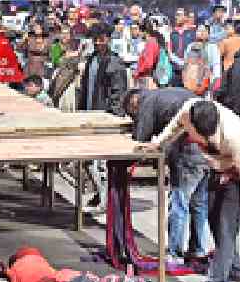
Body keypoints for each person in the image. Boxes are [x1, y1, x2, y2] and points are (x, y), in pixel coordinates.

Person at [148, 99, 240, 282]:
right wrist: (158, 142)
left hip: (237, 173)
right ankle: (235, 270)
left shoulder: (234, 137)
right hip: (216, 168)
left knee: (226, 228)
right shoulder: (188, 110)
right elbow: (174, 126)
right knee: (213, 220)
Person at [125, 88, 210, 263]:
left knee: (179, 203)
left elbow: (141, 136)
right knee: (198, 204)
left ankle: (175, 253)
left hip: (188, 153)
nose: (135, 116)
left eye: (133, 113)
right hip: (206, 150)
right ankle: (198, 249)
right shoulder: (168, 94)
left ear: (134, 102)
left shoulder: (147, 102)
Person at [79, 23, 128, 211]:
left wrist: (113, 119)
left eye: (102, 39)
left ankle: (105, 200)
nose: (98, 42)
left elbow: (118, 94)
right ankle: (100, 194)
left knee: (101, 164)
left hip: (105, 117)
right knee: (90, 161)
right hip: (90, 114)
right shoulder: (92, 60)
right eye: (96, 39)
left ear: (109, 39)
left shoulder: (114, 63)